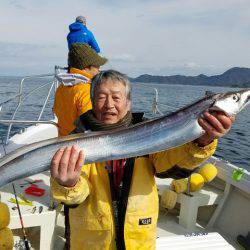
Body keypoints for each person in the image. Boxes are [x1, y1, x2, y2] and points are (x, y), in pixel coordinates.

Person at [50, 70, 234, 250]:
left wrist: (202, 141)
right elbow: (75, 199)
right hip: (91, 243)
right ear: (92, 101)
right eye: (101, 97)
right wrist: (69, 184)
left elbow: (169, 165)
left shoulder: (149, 133)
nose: (109, 105)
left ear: (128, 103)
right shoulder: (76, 140)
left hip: (138, 243)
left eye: (116, 97)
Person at [53, 43, 107, 136]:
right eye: (97, 65)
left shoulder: (61, 88)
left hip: (63, 140)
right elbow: (92, 126)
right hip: (80, 145)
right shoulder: (87, 91)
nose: (99, 69)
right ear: (86, 67)